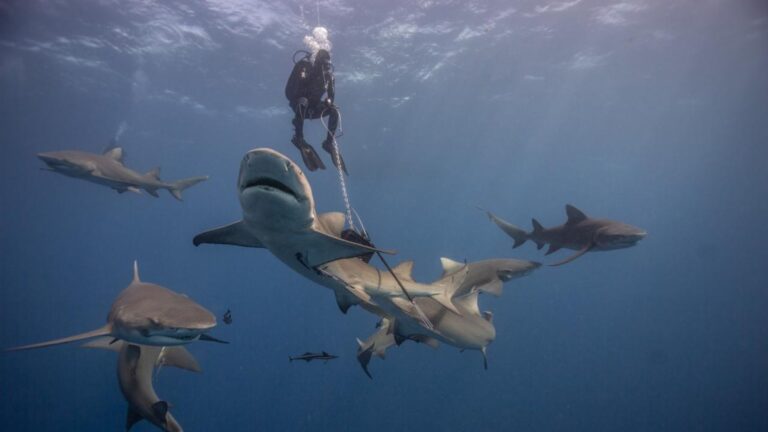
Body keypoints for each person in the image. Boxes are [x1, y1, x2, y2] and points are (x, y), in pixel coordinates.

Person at [285, 49, 347, 174]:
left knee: (334, 110)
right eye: (323, 64)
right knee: (303, 101)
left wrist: (329, 101)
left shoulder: (329, 77)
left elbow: (331, 96)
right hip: (300, 106)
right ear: (317, 62)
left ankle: (328, 143)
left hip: (314, 108)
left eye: (327, 65)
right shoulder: (305, 68)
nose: (325, 68)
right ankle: (299, 137)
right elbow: (291, 91)